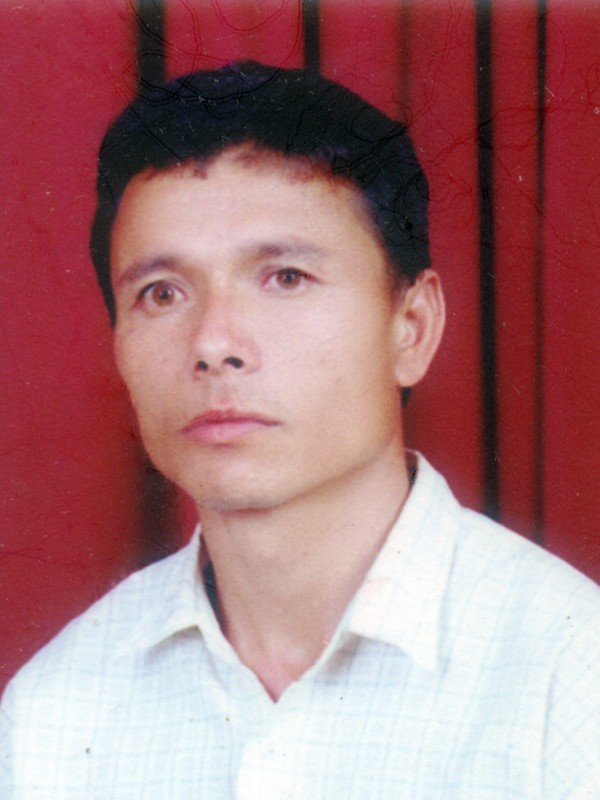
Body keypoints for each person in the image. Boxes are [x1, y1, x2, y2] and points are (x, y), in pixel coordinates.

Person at [1, 61, 598, 799]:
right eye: (162, 293)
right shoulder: (55, 712)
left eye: (285, 278)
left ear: (411, 328)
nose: (214, 343)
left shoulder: (570, 676)